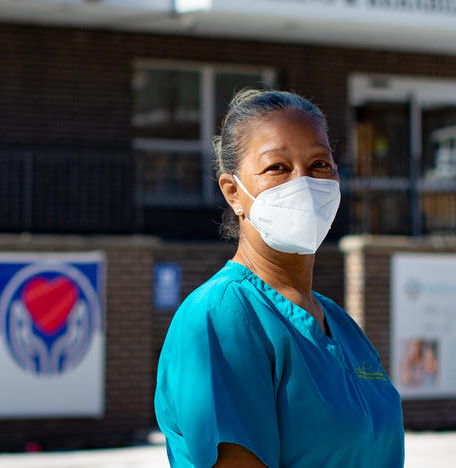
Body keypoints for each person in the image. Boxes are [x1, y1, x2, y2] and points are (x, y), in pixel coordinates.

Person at [155, 89, 405, 468]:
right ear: (233, 192)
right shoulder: (222, 317)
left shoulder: (340, 324)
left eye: (320, 164)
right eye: (278, 168)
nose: (303, 183)